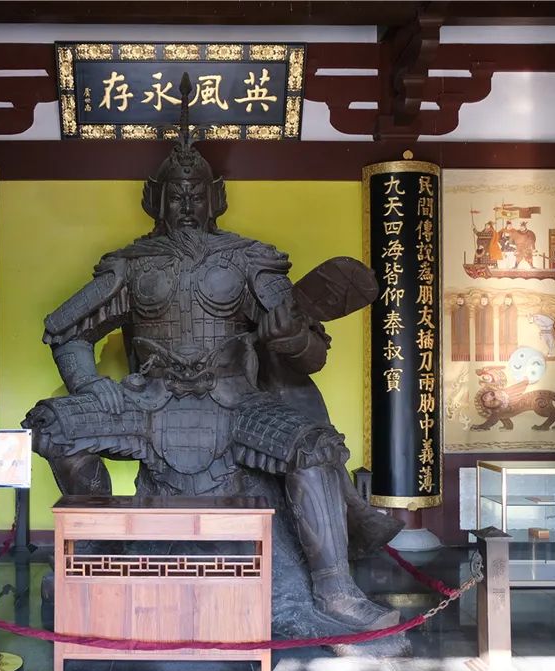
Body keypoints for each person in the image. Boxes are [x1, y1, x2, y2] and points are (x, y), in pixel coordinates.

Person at [23, 107, 401, 631]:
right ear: (154, 199)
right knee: (53, 427)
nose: (186, 205)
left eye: (196, 194)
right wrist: (88, 384)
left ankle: (335, 590)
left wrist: (290, 336)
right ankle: (96, 546)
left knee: (314, 449)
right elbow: (66, 331)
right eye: (175, 194)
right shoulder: (131, 265)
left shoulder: (249, 261)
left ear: (215, 198)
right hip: (149, 402)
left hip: (234, 403)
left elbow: (312, 353)